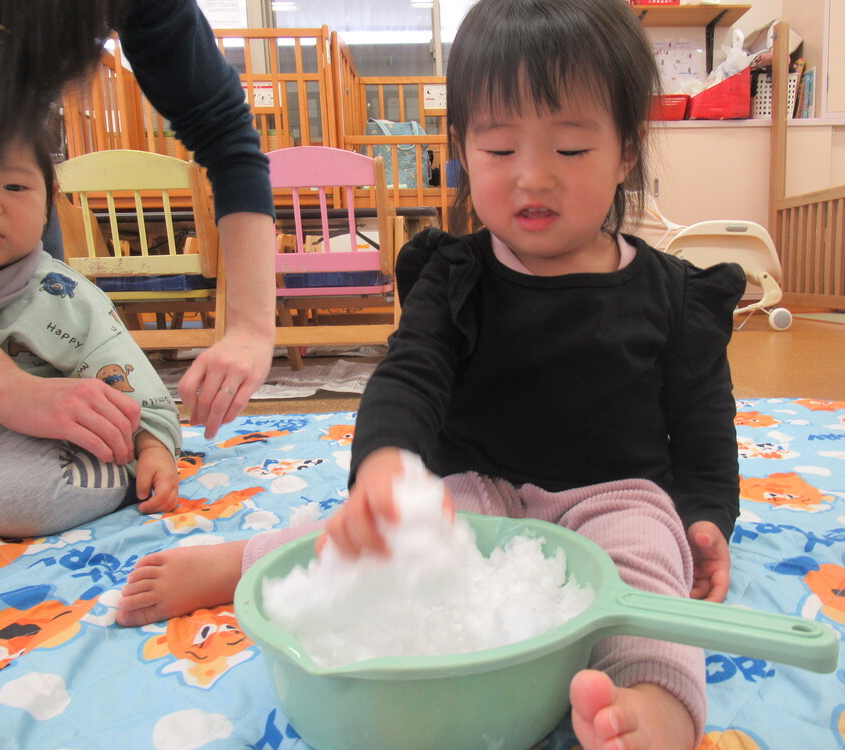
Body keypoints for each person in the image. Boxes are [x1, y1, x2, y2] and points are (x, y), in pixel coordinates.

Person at [118, 0, 745, 747]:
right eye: (500, 149)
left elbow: (705, 428)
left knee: (649, 566)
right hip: (470, 494)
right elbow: (408, 378)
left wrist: (705, 519)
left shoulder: (675, 294)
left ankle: (654, 707)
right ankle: (249, 562)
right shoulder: (455, 274)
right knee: (370, 528)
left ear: (626, 150)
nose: (532, 177)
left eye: (571, 150)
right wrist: (387, 469)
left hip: (610, 498)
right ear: (462, 150)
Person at [0, 0, 276, 444]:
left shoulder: (58, 290)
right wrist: (9, 388)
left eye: (15, 187)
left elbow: (227, 137)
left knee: (69, 425)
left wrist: (251, 329)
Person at [0, 127, 181, 537]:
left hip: (36, 442)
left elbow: (132, 382)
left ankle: (119, 483)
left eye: (14, 185)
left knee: (18, 497)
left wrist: (152, 448)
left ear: (48, 203)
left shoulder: (62, 296)